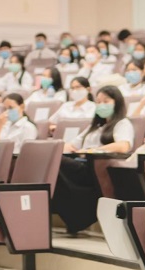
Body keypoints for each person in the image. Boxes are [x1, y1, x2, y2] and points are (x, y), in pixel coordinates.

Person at [55, 86, 134, 233]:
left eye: (106, 101)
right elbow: (72, 145)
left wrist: (92, 150)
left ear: (117, 102)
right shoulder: (95, 126)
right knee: (54, 161)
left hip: (97, 168)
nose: (101, 105)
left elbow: (123, 146)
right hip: (81, 164)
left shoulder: (122, 123)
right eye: (98, 102)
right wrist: (55, 148)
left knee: (58, 163)